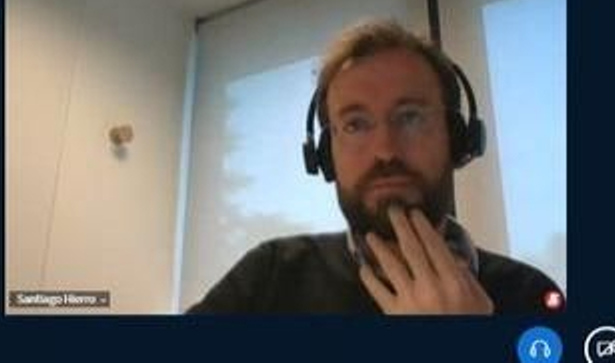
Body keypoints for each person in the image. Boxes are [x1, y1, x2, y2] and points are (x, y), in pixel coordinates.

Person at [188, 20, 562, 314]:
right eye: (355, 124)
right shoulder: (269, 278)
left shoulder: (530, 295)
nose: (385, 150)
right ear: (325, 155)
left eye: (411, 117)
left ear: (457, 139)